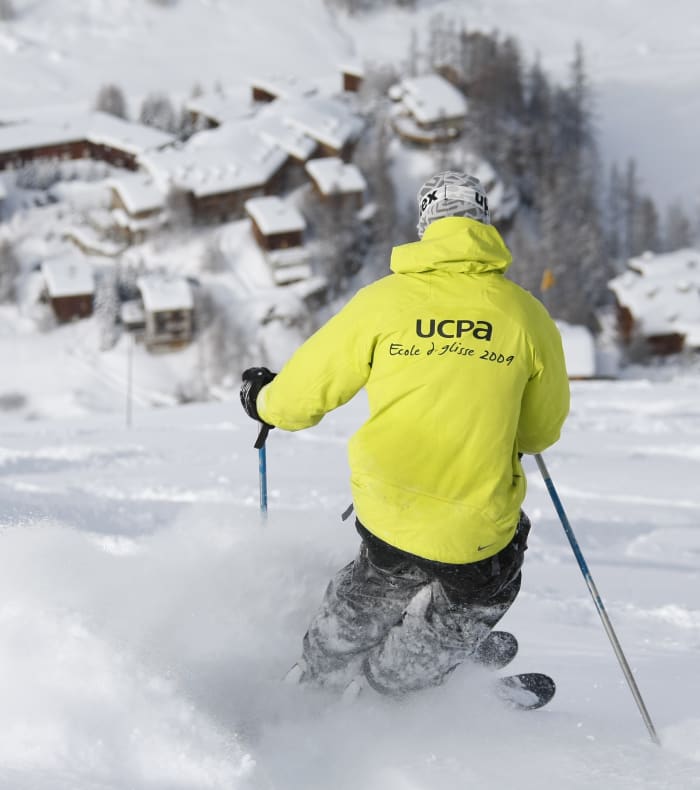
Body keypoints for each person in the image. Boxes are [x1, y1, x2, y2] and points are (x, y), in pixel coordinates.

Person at [240, 170, 570, 697]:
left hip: (387, 505)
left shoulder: (383, 302)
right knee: (481, 587)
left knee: (376, 580)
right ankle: (397, 675)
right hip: (472, 526)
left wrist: (261, 400)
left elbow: (298, 401)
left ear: (425, 226)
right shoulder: (525, 316)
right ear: (484, 223)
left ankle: (320, 668)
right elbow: (538, 432)